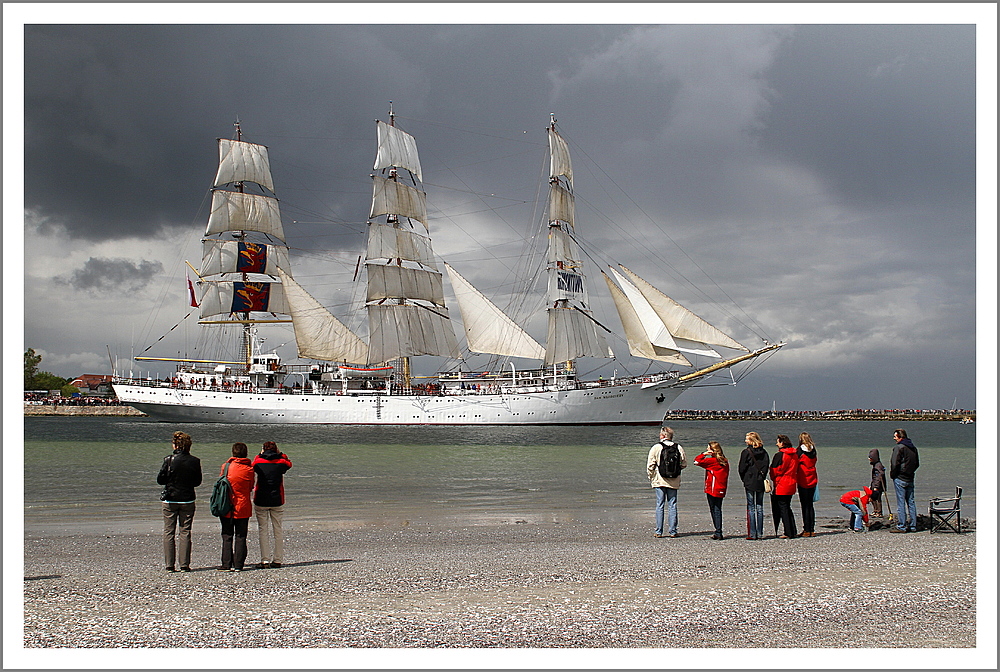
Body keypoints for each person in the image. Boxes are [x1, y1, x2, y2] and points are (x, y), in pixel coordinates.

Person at [156, 431, 202, 572]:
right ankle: (184, 564)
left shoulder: (168, 460)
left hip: (170, 499)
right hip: (187, 499)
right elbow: (197, 482)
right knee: (185, 532)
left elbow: (160, 480)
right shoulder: (195, 461)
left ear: (175, 445)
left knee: (169, 532)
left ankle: (170, 565)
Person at [253, 441, 293, 567]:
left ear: (263, 450)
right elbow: (289, 463)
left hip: (261, 498)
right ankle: (277, 559)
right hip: (277, 499)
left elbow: (253, 464)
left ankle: (264, 560)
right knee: (278, 529)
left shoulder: (259, 462)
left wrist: (260, 455)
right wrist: (280, 454)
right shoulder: (280, 462)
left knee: (263, 530)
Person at [218, 442, 255, 572]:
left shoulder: (226, 467)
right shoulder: (249, 469)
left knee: (227, 535)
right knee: (241, 535)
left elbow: (221, 483)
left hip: (227, 504)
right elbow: (251, 486)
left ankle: (226, 563)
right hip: (243, 506)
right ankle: (239, 564)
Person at [646, 426, 687, 538]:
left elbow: (650, 465)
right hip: (674, 480)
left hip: (660, 479)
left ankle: (659, 531)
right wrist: (676, 471)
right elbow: (684, 463)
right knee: (672, 504)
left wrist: (651, 477)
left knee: (660, 504)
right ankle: (673, 531)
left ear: (663, 436)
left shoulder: (656, 447)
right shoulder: (678, 447)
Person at [693, 441, 729, 540]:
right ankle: (718, 531)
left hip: (713, 489)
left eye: (708, 448)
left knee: (715, 509)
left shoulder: (712, 461)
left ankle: (718, 531)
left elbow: (696, 461)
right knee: (718, 509)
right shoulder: (724, 461)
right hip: (721, 487)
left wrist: (703, 454)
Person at [737, 432, 769, 540]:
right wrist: (763, 475)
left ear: (751, 441)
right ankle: (759, 533)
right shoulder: (764, 452)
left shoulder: (746, 452)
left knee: (751, 507)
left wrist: (744, 479)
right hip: (760, 480)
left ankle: (752, 533)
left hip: (750, 480)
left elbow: (741, 468)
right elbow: (766, 465)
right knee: (759, 506)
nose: (745, 441)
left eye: (747, 439)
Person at [889, 429, 919, 533]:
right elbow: (917, 463)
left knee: (901, 502)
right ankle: (913, 525)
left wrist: (893, 475)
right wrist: (910, 472)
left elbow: (894, 463)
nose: (894, 438)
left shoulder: (899, 447)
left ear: (900, 437)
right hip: (910, 477)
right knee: (911, 502)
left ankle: (901, 525)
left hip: (900, 477)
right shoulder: (913, 448)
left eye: (895, 436)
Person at [770, 434, 799, 539]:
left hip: (782, 483)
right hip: (791, 482)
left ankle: (788, 532)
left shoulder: (780, 455)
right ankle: (792, 530)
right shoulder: (794, 454)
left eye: (778, 441)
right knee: (787, 507)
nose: (776, 443)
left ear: (782, 443)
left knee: (783, 508)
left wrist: (773, 478)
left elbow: (776, 470)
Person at [796, 432, 819, 537]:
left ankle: (806, 529)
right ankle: (811, 529)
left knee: (805, 505)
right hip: (812, 478)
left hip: (803, 478)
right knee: (810, 505)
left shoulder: (799, 451)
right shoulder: (813, 450)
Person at [868, 448, 886, 517]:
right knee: (873, 498)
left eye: (871, 457)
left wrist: (876, 486)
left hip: (878, 485)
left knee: (877, 498)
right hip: (874, 484)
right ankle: (875, 511)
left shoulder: (878, 466)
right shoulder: (875, 465)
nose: (869, 459)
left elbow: (879, 477)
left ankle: (879, 512)